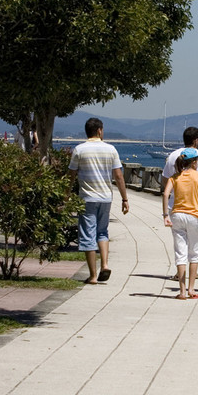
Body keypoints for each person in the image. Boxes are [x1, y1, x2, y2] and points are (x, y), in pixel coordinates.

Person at [69, 117, 129, 284]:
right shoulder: (111, 149)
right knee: (102, 232)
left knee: (88, 234)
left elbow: (71, 175)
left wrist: (66, 196)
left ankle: (93, 276)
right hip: (105, 198)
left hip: (87, 198)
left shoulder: (79, 150)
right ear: (100, 131)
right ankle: (105, 264)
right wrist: (124, 198)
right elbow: (118, 176)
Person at [161, 148, 198, 299]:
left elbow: (165, 194)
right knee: (194, 253)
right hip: (193, 216)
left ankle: (182, 291)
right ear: (194, 162)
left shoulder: (175, 177)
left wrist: (165, 215)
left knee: (180, 253)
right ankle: (191, 289)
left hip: (177, 215)